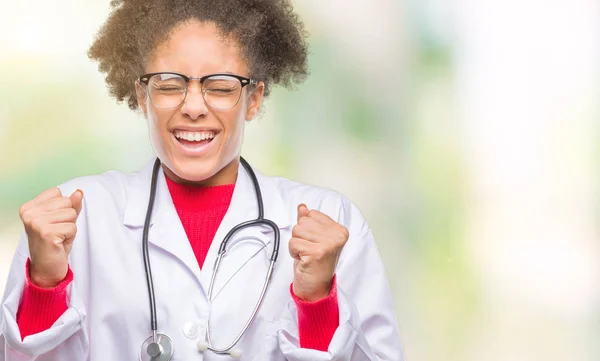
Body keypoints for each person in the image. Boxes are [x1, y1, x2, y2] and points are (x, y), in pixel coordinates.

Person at [0, 0, 404, 360]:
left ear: (255, 99)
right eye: (170, 85)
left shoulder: (332, 222)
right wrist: (44, 285)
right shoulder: (72, 216)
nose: (194, 106)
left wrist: (317, 301)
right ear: (142, 97)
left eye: (222, 87)